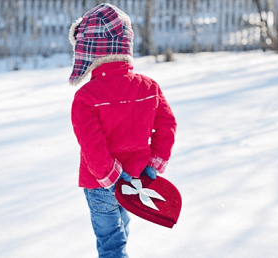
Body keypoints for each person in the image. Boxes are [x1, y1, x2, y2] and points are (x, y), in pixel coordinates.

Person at [69, 4, 177, 258]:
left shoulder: (86, 97)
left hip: (100, 182)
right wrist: (152, 164)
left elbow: (91, 144)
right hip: (134, 178)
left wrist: (110, 174)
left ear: (90, 50)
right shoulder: (149, 87)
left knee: (111, 242)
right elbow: (167, 126)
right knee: (121, 231)